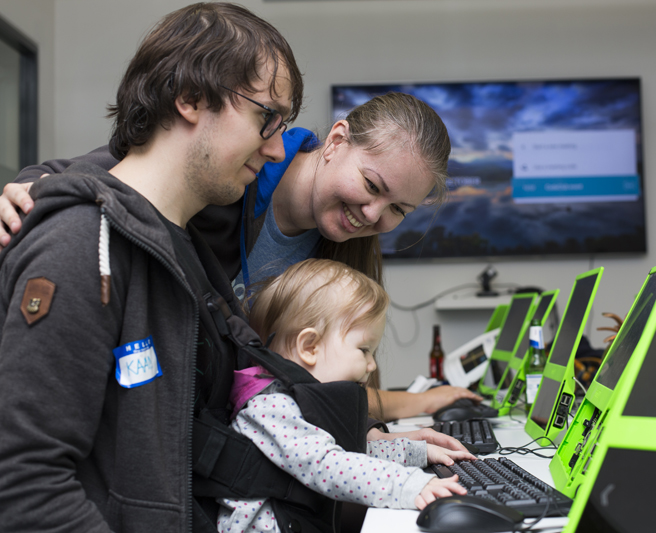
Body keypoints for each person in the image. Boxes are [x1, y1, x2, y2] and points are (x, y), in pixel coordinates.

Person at [0, 3, 305, 531]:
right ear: (189, 97)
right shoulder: (80, 244)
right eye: (267, 118)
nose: (278, 149)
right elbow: (26, 487)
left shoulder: (182, 252)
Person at [4, 93, 484, 423]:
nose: (373, 214)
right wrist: (26, 188)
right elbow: (107, 172)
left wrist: (383, 435)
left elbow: (317, 382)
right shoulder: (232, 170)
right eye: (372, 187)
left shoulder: (343, 255)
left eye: (397, 209)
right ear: (336, 141)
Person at [220, 258, 473, 533]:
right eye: (364, 350)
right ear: (310, 346)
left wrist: (418, 453)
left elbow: (349, 451)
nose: (372, 364)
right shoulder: (270, 407)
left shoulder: (303, 401)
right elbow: (329, 464)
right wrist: (407, 485)